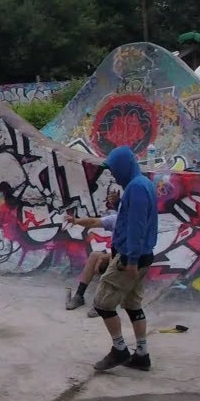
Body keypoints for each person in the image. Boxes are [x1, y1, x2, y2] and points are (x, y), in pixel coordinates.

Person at [77, 146, 158, 372]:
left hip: (130, 258)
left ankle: (119, 349)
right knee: (132, 304)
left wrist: (130, 260)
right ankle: (142, 354)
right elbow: (130, 219)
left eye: (114, 169)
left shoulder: (136, 188)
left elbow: (136, 227)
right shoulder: (142, 184)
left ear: (123, 166)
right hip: (142, 255)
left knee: (102, 304)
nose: (112, 173)